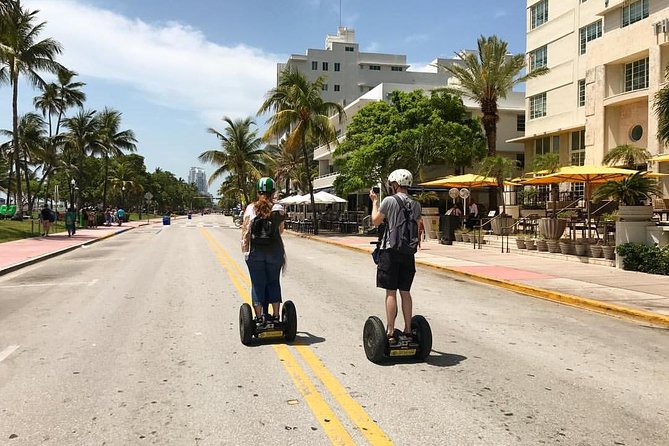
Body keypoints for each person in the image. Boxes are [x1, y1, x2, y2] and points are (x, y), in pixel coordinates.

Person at [369, 169, 422, 344]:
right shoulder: (415, 204)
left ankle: (390, 331)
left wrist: (375, 202)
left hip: (390, 251)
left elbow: (376, 220)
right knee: (405, 292)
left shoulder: (389, 201)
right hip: (408, 252)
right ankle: (408, 330)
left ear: (395, 184)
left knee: (390, 292)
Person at [241, 177, 286, 324]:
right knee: (273, 282)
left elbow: (246, 231)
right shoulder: (278, 208)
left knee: (258, 283)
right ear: (273, 192)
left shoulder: (250, 208)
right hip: (275, 251)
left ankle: (259, 318)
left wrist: (246, 252)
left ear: (258, 191)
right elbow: (281, 230)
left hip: (256, 252)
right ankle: (276, 316)